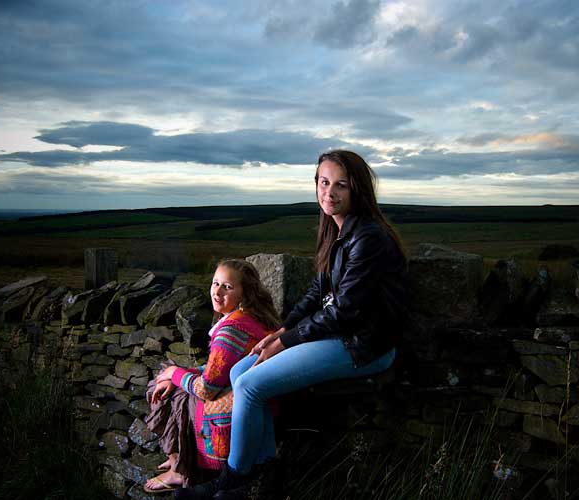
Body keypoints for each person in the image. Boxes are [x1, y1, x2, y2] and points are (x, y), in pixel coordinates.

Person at [175, 150, 409, 500]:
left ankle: (233, 481)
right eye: (324, 182)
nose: (329, 192)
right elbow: (317, 292)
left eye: (340, 185)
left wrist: (285, 343)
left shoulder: (369, 237)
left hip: (364, 345)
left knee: (251, 384)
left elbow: (344, 311)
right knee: (241, 372)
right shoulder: (336, 230)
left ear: (358, 190)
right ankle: (266, 471)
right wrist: (282, 331)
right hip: (338, 336)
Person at [143, 259, 280, 494]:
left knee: (175, 392)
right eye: (215, 283)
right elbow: (220, 369)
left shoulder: (232, 329)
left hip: (244, 407)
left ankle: (180, 468)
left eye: (227, 286)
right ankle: (178, 458)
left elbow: (207, 388)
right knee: (171, 379)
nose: (216, 292)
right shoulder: (254, 318)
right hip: (265, 401)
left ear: (245, 293)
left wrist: (173, 374)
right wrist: (174, 374)